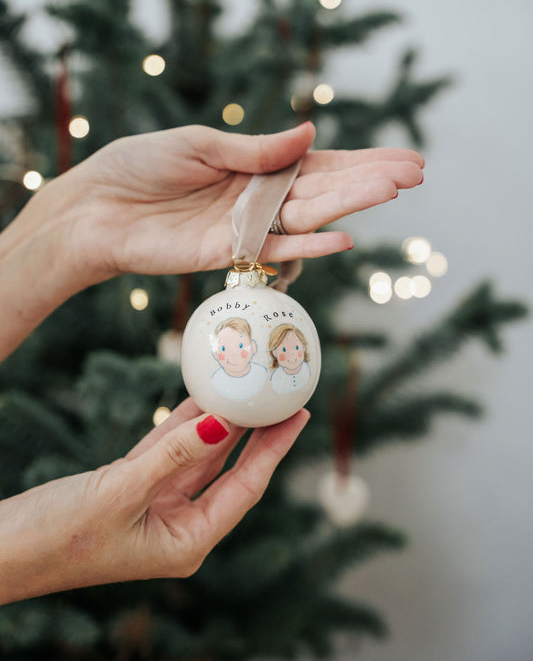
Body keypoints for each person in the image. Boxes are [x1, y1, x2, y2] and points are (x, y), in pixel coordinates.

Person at [0, 122, 424, 604]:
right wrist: (22, 557)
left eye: (244, 348)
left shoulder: (267, 360)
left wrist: (78, 218)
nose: (235, 353)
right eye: (228, 348)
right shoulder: (225, 364)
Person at [211, 318, 267, 400]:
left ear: (253, 347)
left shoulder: (262, 374)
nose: (233, 354)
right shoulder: (216, 380)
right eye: (223, 348)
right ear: (215, 353)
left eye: (240, 346)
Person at [269, 323, 311, 394]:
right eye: (284, 350)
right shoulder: (276, 377)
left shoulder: (306, 369)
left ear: (303, 348)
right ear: (275, 353)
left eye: (297, 348)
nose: (291, 353)